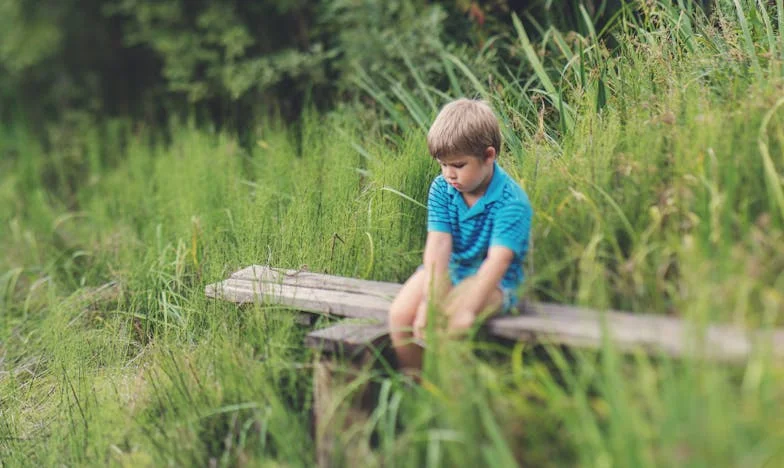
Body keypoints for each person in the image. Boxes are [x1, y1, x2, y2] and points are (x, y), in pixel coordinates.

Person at [388, 98, 533, 372]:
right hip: (453, 268)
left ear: (489, 156)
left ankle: (455, 406)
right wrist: (430, 299)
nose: (448, 174)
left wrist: (466, 310)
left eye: (458, 165)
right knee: (400, 315)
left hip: (494, 281)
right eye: (443, 165)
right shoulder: (443, 188)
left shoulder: (511, 201)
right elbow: (438, 245)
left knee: (449, 323)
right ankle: (419, 387)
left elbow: (497, 262)